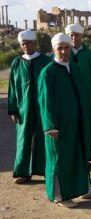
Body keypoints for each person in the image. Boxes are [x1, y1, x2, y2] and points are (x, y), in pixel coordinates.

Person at [38, 33, 91, 208]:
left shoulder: (74, 68)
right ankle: (59, 196)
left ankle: (85, 188)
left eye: (66, 47)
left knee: (81, 154)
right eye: (59, 48)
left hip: (79, 123)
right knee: (59, 159)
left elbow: (82, 94)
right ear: (53, 50)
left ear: (71, 48)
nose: (63, 51)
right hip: (59, 126)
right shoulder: (48, 72)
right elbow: (46, 102)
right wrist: (50, 126)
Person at [8, 30, 51, 184]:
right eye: (22, 44)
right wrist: (13, 109)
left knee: (44, 137)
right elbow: (12, 87)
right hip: (23, 108)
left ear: (34, 43)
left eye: (28, 43)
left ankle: (47, 170)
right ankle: (23, 172)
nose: (25, 46)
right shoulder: (17, 63)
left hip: (42, 108)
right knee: (24, 139)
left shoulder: (46, 61)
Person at [65, 23, 91, 163]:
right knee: (70, 127)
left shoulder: (89, 54)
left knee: (87, 127)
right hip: (68, 99)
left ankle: (86, 158)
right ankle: (72, 158)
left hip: (87, 98)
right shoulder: (63, 52)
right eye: (71, 35)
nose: (73, 37)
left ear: (82, 36)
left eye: (76, 35)